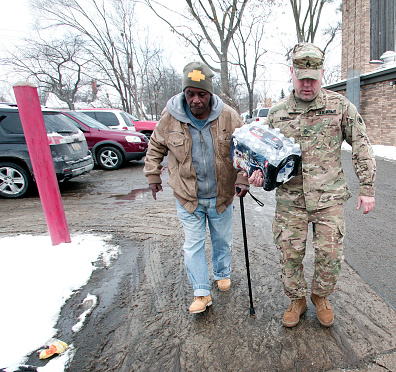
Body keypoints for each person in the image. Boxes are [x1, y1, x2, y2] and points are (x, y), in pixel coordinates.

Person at [248, 42, 376, 327]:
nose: (307, 85)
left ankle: (320, 296)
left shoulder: (340, 107)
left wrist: (367, 187)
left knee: (330, 256)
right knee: (289, 256)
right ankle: (297, 300)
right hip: (290, 201)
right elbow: (262, 156)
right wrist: (256, 173)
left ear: (322, 75)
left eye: (313, 79)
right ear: (291, 73)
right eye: (302, 78)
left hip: (328, 199)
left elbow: (361, 144)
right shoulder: (277, 113)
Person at [144, 61, 249, 314]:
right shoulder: (170, 117)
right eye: (190, 93)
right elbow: (156, 145)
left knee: (222, 240)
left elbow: (244, 148)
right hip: (187, 196)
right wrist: (153, 175)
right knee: (193, 244)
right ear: (184, 93)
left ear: (210, 94)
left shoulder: (229, 116)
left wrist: (243, 176)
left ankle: (222, 272)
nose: (196, 100)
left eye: (201, 94)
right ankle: (201, 292)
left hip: (221, 196)